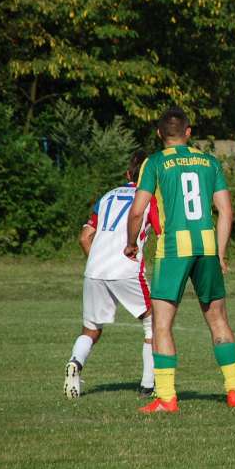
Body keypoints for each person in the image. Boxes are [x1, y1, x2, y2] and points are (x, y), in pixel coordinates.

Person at [125, 107, 235, 413]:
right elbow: (226, 212)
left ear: (159, 134)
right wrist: (220, 252)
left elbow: (138, 210)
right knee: (218, 320)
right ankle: (234, 392)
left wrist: (131, 244)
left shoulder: (154, 162)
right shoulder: (209, 161)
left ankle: (166, 397)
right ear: (189, 132)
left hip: (172, 250)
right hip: (206, 246)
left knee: (162, 325)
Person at [64, 151, 160, 399]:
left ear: (128, 175)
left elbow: (85, 237)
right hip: (126, 268)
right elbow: (162, 233)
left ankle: (75, 362)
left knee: (91, 329)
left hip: (95, 269)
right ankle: (149, 385)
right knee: (154, 323)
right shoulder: (149, 199)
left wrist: (101, 264)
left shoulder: (107, 197)